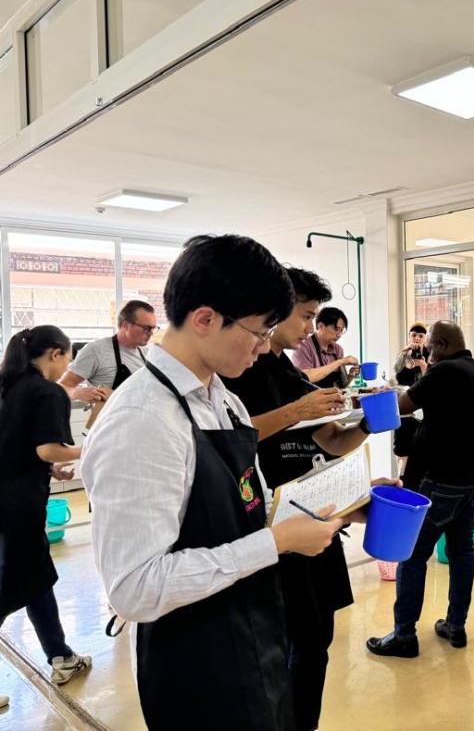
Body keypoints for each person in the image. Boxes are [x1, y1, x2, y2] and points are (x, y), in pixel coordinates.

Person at [82, 235, 351, 731]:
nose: (265, 343)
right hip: (196, 663)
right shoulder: (142, 420)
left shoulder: (222, 398)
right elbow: (135, 590)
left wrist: (333, 505)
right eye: (259, 329)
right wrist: (274, 543)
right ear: (205, 318)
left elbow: (244, 503)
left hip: (254, 631)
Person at [221, 267, 373, 731]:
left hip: (312, 513)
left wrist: (367, 423)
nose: (310, 327)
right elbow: (227, 438)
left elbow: (328, 439)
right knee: (285, 644)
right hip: (269, 524)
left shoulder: (285, 367)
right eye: (306, 316)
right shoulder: (238, 371)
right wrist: (296, 410)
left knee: (317, 637)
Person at [366, 321, 474, 658]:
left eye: (431, 348)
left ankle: (404, 635)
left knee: (413, 555)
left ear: (440, 344)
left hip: (442, 476)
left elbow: (403, 407)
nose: (429, 353)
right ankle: (456, 625)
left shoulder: (443, 372)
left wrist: (376, 397)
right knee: (462, 550)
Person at [0, 326, 91, 687]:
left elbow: (20, 445)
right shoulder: (46, 392)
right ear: (55, 353)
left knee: (35, 576)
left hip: (9, 497)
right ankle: (61, 655)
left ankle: (60, 656)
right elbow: (46, 448)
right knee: (14, 585)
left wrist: (50, 466)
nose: (67, 364)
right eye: (68, 356)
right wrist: (92, 448)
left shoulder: (7, 385)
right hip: (19, 505)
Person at [58, 300, 157, 417]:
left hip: (139, 425)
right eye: (146, 328)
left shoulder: (148, 354)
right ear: (125, 325)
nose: (151, 333)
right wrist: (76, 392)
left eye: (153, 328)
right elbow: (62, 386)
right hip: (108, 430)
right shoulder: (95, 351)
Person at [392, 322, 429, 482]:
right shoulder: (403, 354)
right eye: (414, 335)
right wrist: (405, 353)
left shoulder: (429, 355)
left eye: (421, 336)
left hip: (421, 409)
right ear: (409, 336)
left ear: (425, 339)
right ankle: (402, 477)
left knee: (420, 444)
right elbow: (396, 371)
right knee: (401, 443)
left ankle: (419, 478)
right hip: (404, 407)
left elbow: (431, 379)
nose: (417, 338)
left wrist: (422, 365)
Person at [291, 306, 359, 388]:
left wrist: (351, 375)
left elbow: (342, 386)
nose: (339, 335)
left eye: (341, 330)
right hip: (312, 400)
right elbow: (307, 376)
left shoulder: (338, 349)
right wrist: (340, 362)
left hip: (334, 399)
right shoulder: (303, 347)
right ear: (321, 326)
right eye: (336, 329)